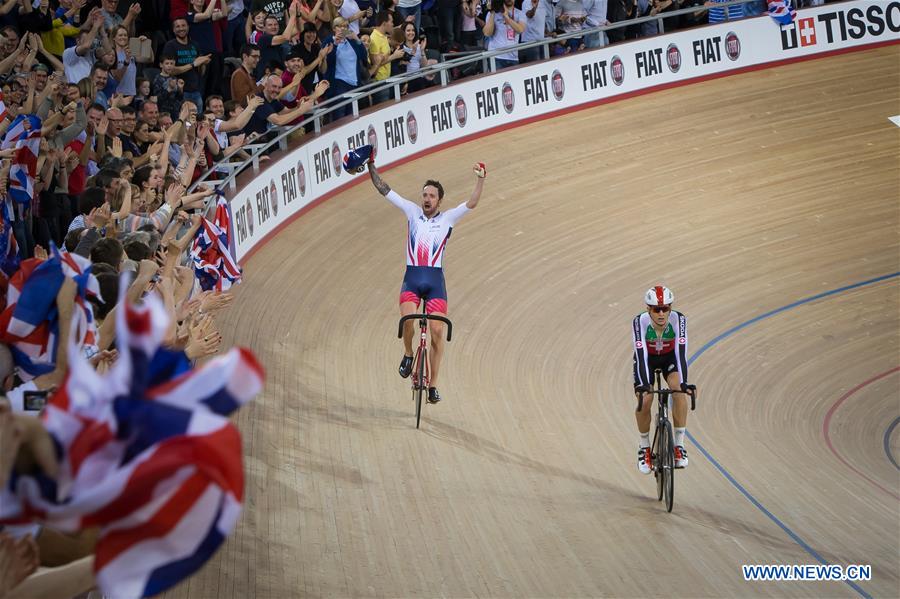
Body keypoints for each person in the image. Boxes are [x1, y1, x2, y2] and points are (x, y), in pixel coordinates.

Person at [366, 155, 486, 404]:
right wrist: (370, 166)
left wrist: (480, 179)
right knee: (407, 320)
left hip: (434, 284)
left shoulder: (448, 218)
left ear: (439, 200)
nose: (426, 199)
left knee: (437, 331)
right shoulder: (411, 212)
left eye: (431, 196)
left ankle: (433, 386)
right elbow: (384, 190)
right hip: (412, 279)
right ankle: (409, 354)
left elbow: (472, 202)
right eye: (424, 195)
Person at [632, 286, 695, 474]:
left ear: (670, 308)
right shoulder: (640, 322)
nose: (661, 313)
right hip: (648, 361)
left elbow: (680, 352)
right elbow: (641, 354)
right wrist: (644, 385)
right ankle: (644, 448)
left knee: (678, 390)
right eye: (656, 309)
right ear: (648, 309)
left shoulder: (679, 319)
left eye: (665, 308)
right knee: (646, 399)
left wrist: (684, 383)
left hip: (669, 358)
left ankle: (679, 446)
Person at [482, 0, 526, 70]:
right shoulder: (492, 13)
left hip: (513, 57)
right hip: (496, 56)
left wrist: (506, 16)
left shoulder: (520, 13)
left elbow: (520, 30)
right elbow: (487, 33)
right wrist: (492, 13)